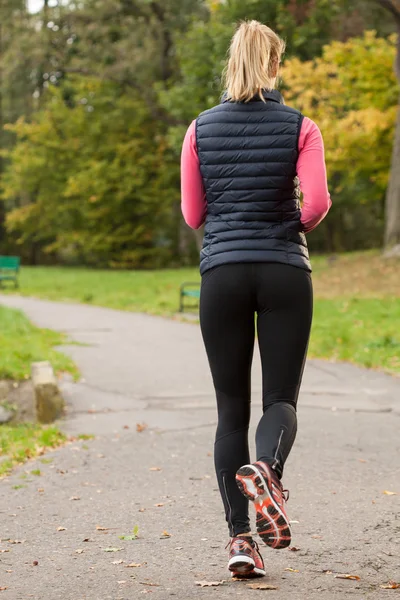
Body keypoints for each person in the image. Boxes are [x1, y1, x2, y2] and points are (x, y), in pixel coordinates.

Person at [180, 20, 331, 578]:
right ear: (274, 65)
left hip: (221, 274)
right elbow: (314, 204)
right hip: (285, 271)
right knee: (280, 400)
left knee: (228, 412)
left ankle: (241, 541)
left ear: (230, 63)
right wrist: (288, 224)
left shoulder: (199, 128)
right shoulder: (302, 126)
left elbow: (194, 215)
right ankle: (266, 469)